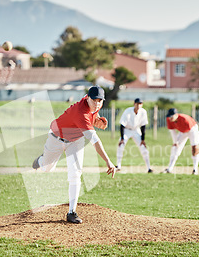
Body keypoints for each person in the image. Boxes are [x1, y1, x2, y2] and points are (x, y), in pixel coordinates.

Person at [32, 86, 116, 224]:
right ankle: (40, 161)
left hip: (75, 140)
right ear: (88, 98)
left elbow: (93, 111)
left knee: (76, 173)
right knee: (47, 168)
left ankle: (71, 212)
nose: (97, 103)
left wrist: (97, 118)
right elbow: (95, 141)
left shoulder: (93, 104)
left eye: (100, 100)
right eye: (94, 100)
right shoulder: (80, 113)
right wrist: (108, 161)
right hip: (56, 137)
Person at [116, 98, 153, 173]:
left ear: (142, 105)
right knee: (121, 145)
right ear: (134, 104)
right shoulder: (128, 111)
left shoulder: (143, 112)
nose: (138, 105)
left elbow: (143, 126)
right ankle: (118, 165)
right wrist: (122, 138)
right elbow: (122, 125)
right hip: (127, 130)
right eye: (137, 103)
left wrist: (143, 140)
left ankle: (149, 167)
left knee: (143, 147)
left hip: (136, 130)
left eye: (140, 104)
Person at [163, 108, 199, 175]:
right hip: (183, 131)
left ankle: (195, 169)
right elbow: (173, 131)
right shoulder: (169, 120)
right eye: (169, 116)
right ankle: (169, 168)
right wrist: (175, 142)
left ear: (176, 115)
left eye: (172, 116)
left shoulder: (184, 119)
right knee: (175, 148)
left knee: (195, 148)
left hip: (192, 130)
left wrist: (195, 144)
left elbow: (190, 131)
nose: (170, 118)